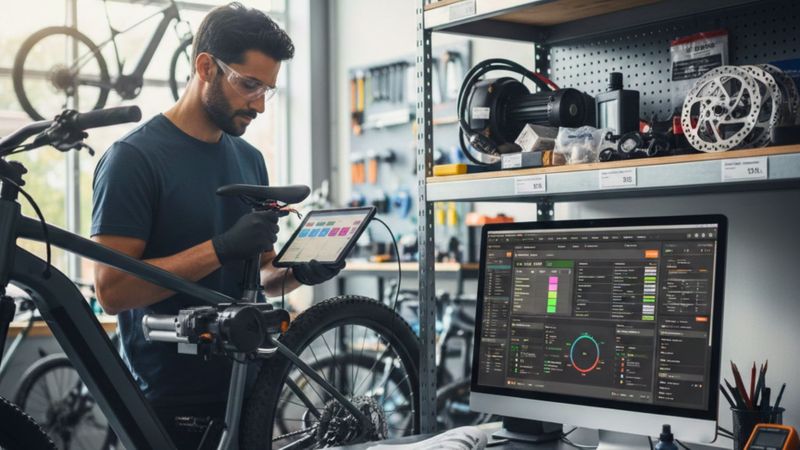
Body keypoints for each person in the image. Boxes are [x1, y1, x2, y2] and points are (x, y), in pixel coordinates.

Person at [90, 3, 342, 447]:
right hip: (162, 400)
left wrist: (299, 270)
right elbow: (113, 291)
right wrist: (220, 247)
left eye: (269, 89)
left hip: (249, 388)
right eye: (249, 85)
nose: (260, 104)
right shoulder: (133, 159)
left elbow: (261, 272)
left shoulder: (249, 159)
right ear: (205, 66)